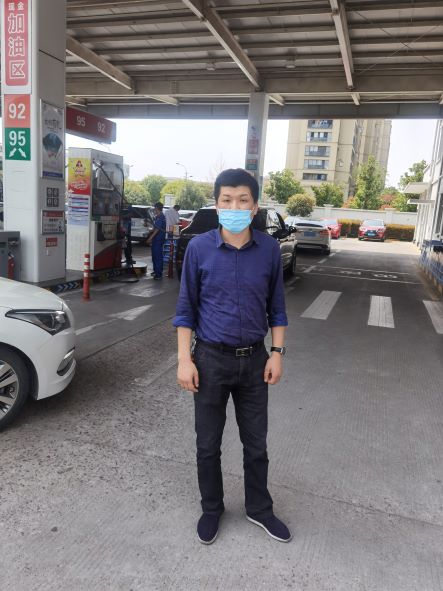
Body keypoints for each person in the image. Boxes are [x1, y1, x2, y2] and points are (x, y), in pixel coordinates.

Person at [173, 168, 291, 545]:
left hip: (255, 361)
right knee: (207, 445)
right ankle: (212, 508)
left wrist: (276, 353)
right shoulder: (199, 248)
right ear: (217, 204)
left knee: (256, 444)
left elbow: (277, 307)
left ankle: (260, 509)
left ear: (255, 207)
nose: (234, 207)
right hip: (209, 360)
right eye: (227, 200)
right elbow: (185, 309)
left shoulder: (269, 250)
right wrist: (184, 360)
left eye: (243, 201)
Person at [147, 202, 166, 280]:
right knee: (155, 256)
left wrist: (150, 238)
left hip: (158, 240)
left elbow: (157, 229)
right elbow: (156, 228)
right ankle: (156, 271)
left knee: (157, 257)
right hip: (156, 239)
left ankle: (158, 274)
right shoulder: (158, 216)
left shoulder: (160, 217)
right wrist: (150, 229)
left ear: (157, 208)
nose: (154, 209)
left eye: (154, 208)